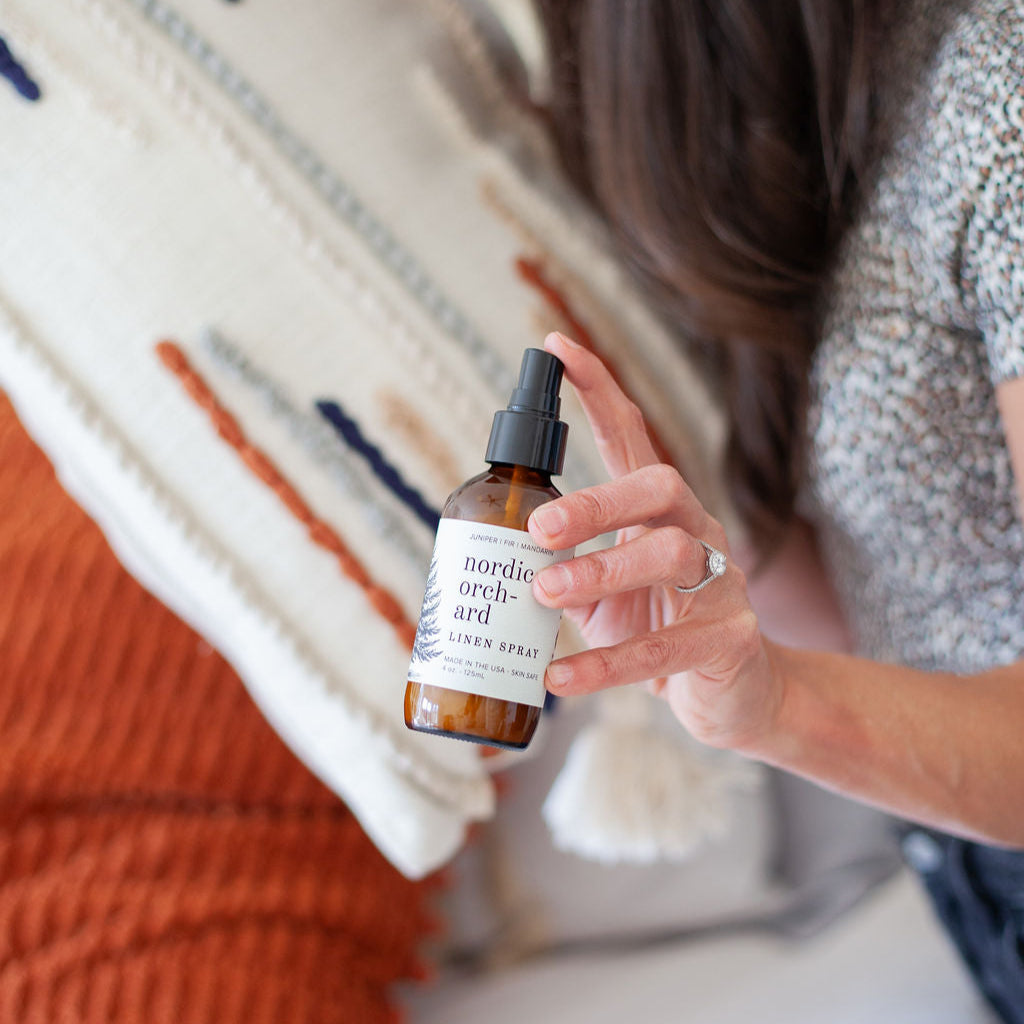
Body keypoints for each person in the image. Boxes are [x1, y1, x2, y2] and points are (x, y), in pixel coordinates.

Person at [526, 1, 1024, 1020]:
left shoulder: (995, 86)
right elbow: (876, 614)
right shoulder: (711, 113)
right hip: (964, 871)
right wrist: (699, 580)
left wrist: (779, 706)